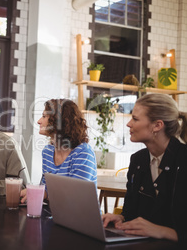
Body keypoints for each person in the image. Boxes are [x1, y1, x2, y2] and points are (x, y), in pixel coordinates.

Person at [102, 93, 187, 245]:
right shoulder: (137, 160)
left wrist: (162, 231)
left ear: (157, 125)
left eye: (135, 119)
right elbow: (131, 212)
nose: (129, 124)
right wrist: (121, 218)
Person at [21, 98, 97, 203]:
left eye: (44, 116)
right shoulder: (47, 152)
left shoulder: (83, 153)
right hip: (55, 214)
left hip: (82, 217)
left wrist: (44, 194)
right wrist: (36, 191)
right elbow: (46, 189)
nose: (39, 121)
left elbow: (76, 197)